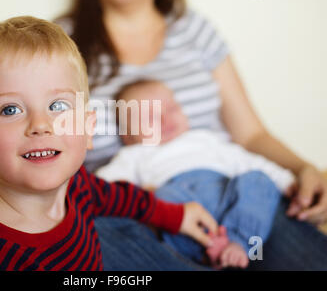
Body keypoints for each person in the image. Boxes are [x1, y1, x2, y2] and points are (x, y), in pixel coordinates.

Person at [57, 0, 327, 270]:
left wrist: (304, 171)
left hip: (232, 197)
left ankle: (235, 244)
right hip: (140, 216)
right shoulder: (58, 44)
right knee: (93, 234)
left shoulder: (194, 31)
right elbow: (63, 169)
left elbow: (250, 136)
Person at [0, 16, 220, 271]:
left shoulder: (77, 186)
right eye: (10, 109)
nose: (40, 125)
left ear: (88, 129)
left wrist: (175, 215)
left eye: (58, 105)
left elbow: (118, 197)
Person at [96, 79, 295, 268]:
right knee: (162, 199)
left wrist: (288, 182)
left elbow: (250, 162)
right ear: (128, 136)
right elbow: (103, 186)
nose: (165, 119)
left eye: (172, 109)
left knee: (258, 179)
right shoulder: (134, 154)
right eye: (151, 117)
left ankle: (239, 242)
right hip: (182, 213)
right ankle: (206, 251)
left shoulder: (204, 139)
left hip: (226, 197)